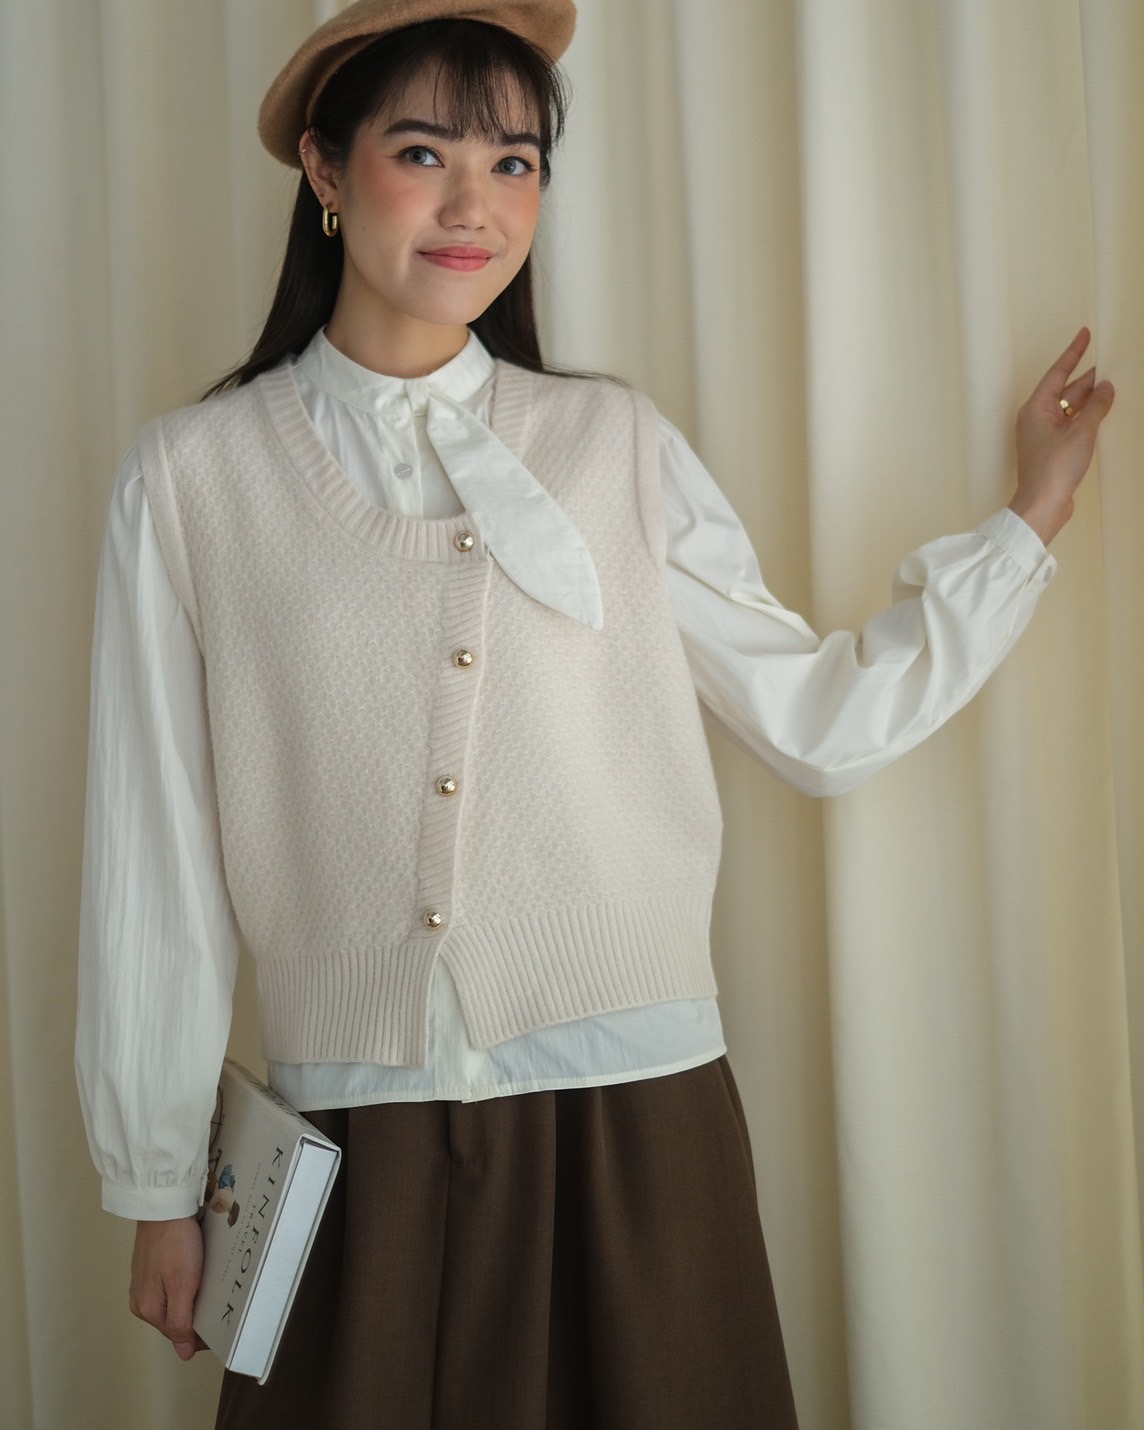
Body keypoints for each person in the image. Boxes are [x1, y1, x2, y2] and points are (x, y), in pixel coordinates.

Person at [75, 2, 1115, 1427]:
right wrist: (154, 1180)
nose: (475, 205)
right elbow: (155, 857)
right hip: (350, 1149)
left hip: (637, 1127)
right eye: (424, 152)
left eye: (515, 163)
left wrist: (1029, 520)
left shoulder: (614, 445)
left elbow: (818, 719)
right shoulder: (190, 481)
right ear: (324, 166)